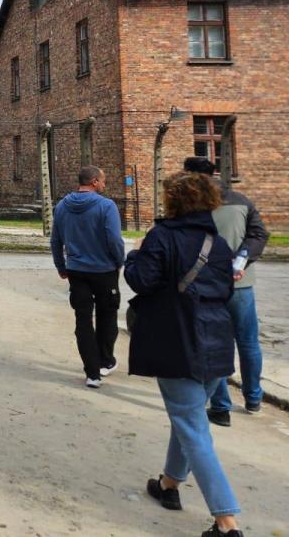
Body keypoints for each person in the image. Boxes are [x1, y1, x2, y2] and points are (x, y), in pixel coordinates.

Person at [125, 171, 243, 537]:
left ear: (174, 201)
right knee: (189, 419)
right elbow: (225, 293)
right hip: (215, 343)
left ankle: (227, 522)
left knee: (193, 429)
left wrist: (134, 254)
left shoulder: (162, 237)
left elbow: (142, 281)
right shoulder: (217, 244)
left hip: (177, 342)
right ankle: (169, 485)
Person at [182, 158, 269, 425]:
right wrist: (242, 258)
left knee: (213, 344)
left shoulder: (189, 205)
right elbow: (259, 234)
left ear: (192, 176)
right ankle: (253, 399)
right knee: (248, 341)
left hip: (207, 287)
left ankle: (220, 406)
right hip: (241, 284)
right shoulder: (241, 200)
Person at [50, 165, 125, 388]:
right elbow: (114, 239)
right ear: (94, 182)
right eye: (103, 181)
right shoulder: (106, 206)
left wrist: (61, 266)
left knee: (83, 320)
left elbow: (56, 240)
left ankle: (92, 373)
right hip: (104, 270)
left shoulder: (62, 206)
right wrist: (119, 261)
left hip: (77, 270)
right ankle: (105, 360)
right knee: (107, 315)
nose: (104, 184)